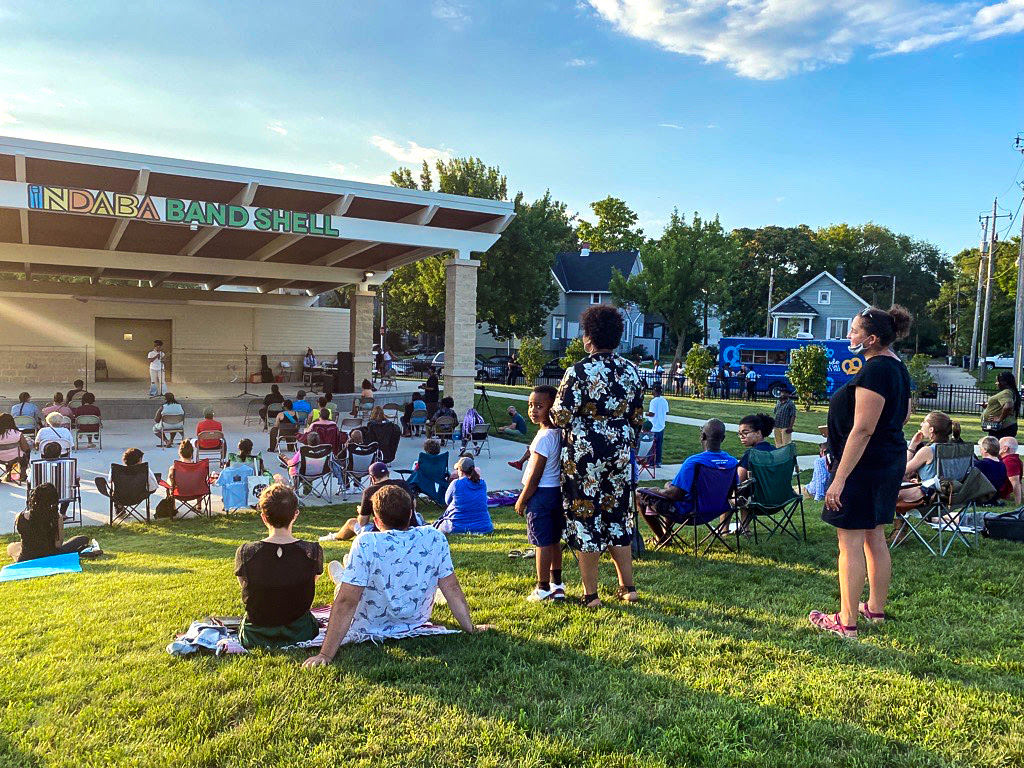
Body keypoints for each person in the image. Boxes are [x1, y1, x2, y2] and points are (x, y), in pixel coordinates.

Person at [303, 485, 491, 666]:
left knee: (345, 589)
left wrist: (325, 654)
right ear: (410, 514)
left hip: (370, 623)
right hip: (415, 620)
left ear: (376, 521)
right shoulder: (434, 537)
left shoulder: (367, 542)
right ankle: (345, 574)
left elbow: (346, 601)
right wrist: (470, 628)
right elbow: (451, 587)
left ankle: (343, 577)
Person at [813, 305, 912, 639]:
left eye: (854, 331)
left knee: (850, 542)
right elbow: (904, 415)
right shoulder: (897, 367)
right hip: (886, 461)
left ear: (871, 339)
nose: (849, 335)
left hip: (864, 466)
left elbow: (863, 429)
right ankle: (874, 609)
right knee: (874, 534)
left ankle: (846, 622)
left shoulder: (875, 370)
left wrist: (838, 478)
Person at [552, 304, 645, 608]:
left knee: (585, 517)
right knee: (618, 516)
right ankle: (627, 587)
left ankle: (591, 595)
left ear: (589, 337)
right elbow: (637, 417)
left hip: (584, 454)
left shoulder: (577, 371)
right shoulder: (631, 370)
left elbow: (562, 416)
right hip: (618, 451)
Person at [235, 483, 323, 649]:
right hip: (300, 630)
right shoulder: (312, 551)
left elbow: (248, 586)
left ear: (264, 517)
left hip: (256, 634)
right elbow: (305, 585)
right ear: (295, 514)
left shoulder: (246, 552)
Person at [636, 419, 738, 544]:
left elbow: (675, 495)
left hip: (690, 512)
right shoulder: (732, 462)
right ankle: (666, 534)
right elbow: (733, 490)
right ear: (723, 438)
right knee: (669, 485)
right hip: (715, 511)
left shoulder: (695, 462)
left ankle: (661, 538)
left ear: (703, 436)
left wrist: (655, 490)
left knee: (639, 495)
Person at [513, 386, 565, 602]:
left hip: (541, 495)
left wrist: (522, 499)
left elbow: (535, 475)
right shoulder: (558, 433)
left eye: (539, 406)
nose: (533, 410)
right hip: (556, 494)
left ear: (552, 408)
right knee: (553, 540)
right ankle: (557, 584)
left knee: (541, 542)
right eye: (530, 405)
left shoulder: (543, 438)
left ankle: (542, 587)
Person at [320, 462, 420, 541]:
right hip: (409, 526)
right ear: (388, 474)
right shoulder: (402, 484)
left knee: (351, 522)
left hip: (382, 532)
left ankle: (334, 536)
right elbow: (413, 504)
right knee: (419, 516)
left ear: (372, 478)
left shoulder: (370, 491)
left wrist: (361, 512)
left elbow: (363, 522)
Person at [7, 483, 97, 563]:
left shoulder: (20, 516)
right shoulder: (57, 517)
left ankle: (19, 557)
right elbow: (58, 544)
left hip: (26, 557)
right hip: (50, 556)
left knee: (12, 546)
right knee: (82, 539)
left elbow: (26, 539)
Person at [435, 456, 493, 534]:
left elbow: (447, 501)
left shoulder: (456, 483)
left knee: (439, 525)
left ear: (460, 470)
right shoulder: (482, 483)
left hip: (457, 527)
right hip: (484, 527)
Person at [96, 447, 160, 497]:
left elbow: (110, 481)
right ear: (139, 460)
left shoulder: (116, 470)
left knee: (115, 490)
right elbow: (152, 487)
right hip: (139, 496)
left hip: (120, 496)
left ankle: (119, 509)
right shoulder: (145, 470)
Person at [736, 413, 775, 483]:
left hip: (755, 493)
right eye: (740, 434)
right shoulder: (774, 450)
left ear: (758, 433)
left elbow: (738, 480)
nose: (741, 436)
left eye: (745, 433)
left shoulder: (751, 454)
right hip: (775, 492)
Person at [980, 371, 1019, 439]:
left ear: (1003, 382)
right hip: (1002, 428)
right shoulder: (1010, 392)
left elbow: (1008, 406)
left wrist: (999, 419)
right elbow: (1004, 407)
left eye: (997, 381)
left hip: (1003, 429)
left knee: (997, 448)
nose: (996, 383)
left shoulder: (1006, 392)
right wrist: (989, 407)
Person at [974, 436, 1007, 504]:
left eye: (980, 448)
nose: (980, 451)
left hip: (980, 498)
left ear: (985, 450)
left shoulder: (981, 464)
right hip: (995, 497)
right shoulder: (1002, 465)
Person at [0, 413, 31, 483]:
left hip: (0, 459)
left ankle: (8, 473)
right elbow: (25, 448)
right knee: (26, 453)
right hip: (15, 458)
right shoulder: (17, 433)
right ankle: (23, 473)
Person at [645, 384, 669, 467]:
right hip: (661, 425)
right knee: (659, 445)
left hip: (653, 426)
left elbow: (652, 414)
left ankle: (651, 462)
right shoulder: (664, 400)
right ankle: (658, 461)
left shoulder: (654, 401)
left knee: (651, 445)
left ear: (654, 391)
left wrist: (646, 414)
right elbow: (666, 412)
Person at [998, 437, 1022, 505]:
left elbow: (1016, 483)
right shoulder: (1014, 459)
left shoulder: (1010, 461)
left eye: (999, 445)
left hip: (1000, 494)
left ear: (1005, 448)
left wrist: (1018, 503)